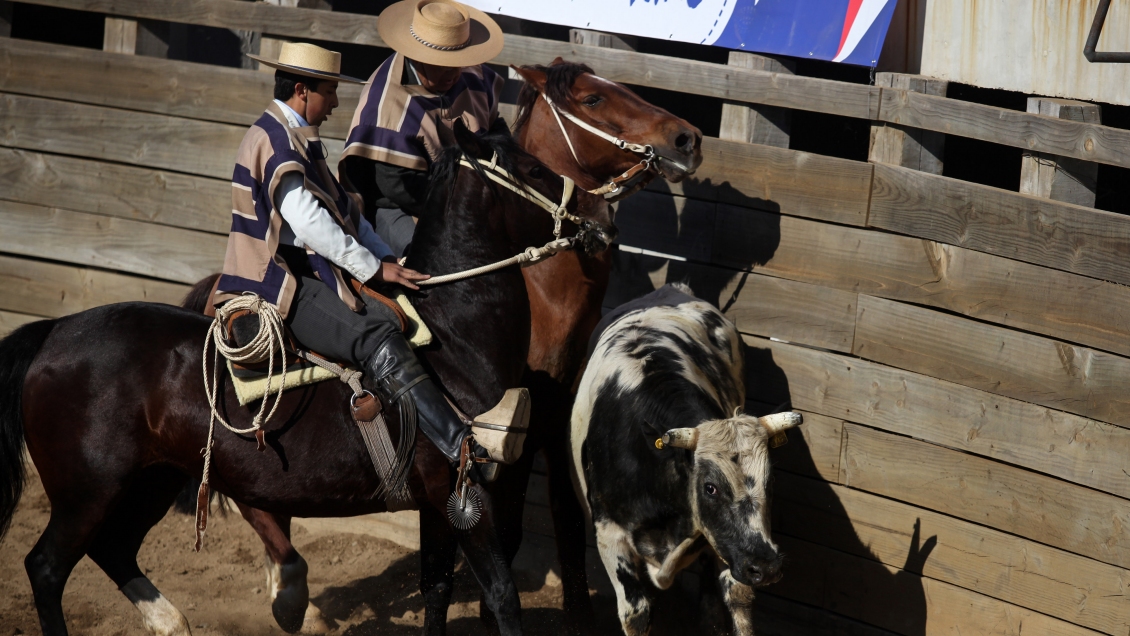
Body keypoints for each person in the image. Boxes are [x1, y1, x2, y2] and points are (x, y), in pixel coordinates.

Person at [214, 41, 507, 479]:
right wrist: (372, 269)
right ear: (301, 91)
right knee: (375, 336)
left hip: (306, 269)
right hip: (276, 282)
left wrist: (388, 258)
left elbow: (347, 215)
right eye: (329, 92)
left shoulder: (294, 137)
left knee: (395, 317)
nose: (334, 103)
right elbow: (311, 224)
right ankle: (460, 450)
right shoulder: (275, 139)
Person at [340, 0, 508, 257]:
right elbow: (397, 185)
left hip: (476, 194)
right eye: (442, 63)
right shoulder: (386, 106)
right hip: (402, 206)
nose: (453, 73)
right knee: (432, 261)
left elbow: (496, 128)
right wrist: (464, 209)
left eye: (459, 61)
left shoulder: (473, 75)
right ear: (418, 56)